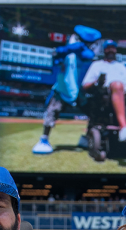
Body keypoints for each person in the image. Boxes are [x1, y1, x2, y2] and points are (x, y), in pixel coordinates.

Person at [33, 25, 100, 156]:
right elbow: (55, 57)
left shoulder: (84, 53)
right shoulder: (66, 51)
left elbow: (88, 55)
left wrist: (78, 48)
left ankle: (86, 138)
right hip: (62, 89)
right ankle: (44, 140)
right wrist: (64, 51)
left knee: (93, 113)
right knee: (52, 112)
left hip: (79, 91)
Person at [82, 39, 126, 143]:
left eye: (113, 47)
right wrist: (97, 81)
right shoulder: (97, 65)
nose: (111, 50)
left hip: (124, 88)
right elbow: (85, 85)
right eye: (108, 48)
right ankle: (124, 128)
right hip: (108, 90)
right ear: (105, 50)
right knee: (117, 84)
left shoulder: (120, 66)